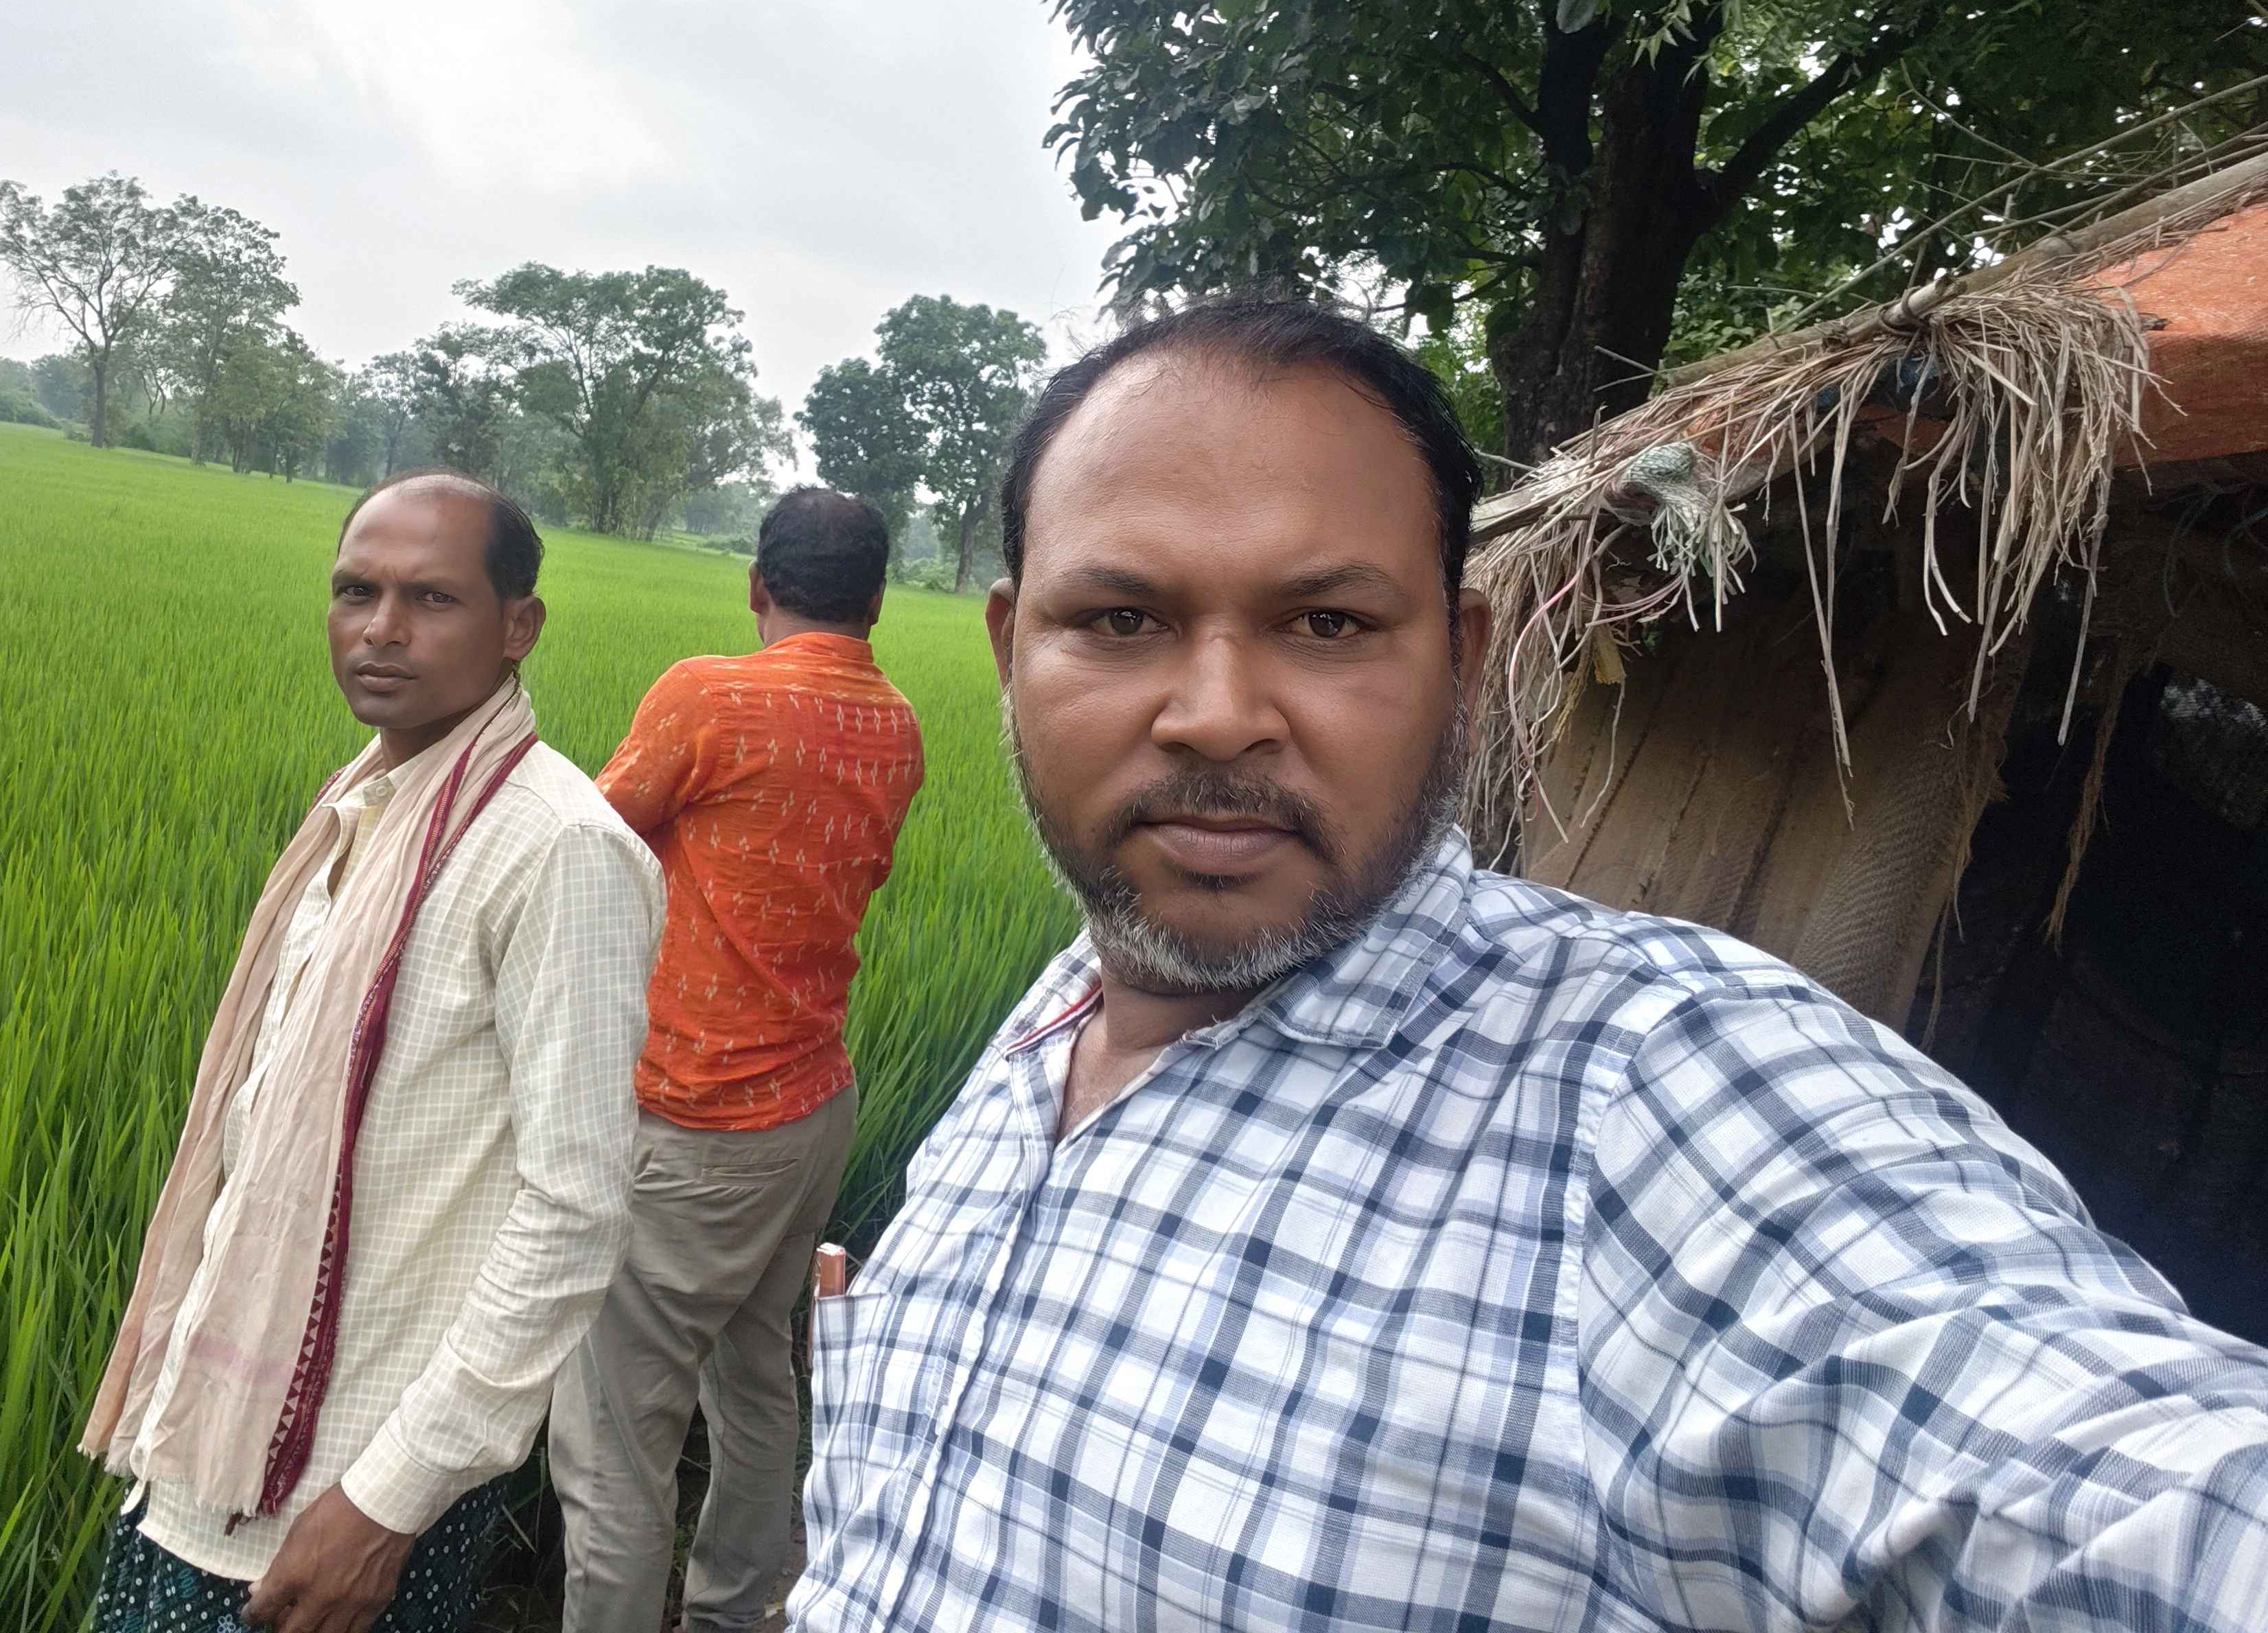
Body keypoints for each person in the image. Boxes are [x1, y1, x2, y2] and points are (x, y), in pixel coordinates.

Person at [789, 299, 2268, 1632]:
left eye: (1328, 623)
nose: (1219, 714)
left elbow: (2131, 1494)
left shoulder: (1659, 1093)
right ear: (1011, 651)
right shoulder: (1053, 1024)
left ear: (1466, 661)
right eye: (1121, 620)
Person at [80, 470, 664, 1633]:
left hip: (352, 1485)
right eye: (356, 591)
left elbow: (573, 1212)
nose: (381, 630)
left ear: (519, 627)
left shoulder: (557, 849)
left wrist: (389, 1500)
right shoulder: (363, 807)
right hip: (214, 1441)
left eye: (432, 599)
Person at [551, 487, 926, 1633]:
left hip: (697, 1122)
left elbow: (586, 843)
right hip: (813, 1107)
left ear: (758, 585)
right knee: (758, 1371)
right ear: (876, 600)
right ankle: (733, 1614)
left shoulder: (709, 695)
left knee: (616, 1431)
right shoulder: (898, 723)